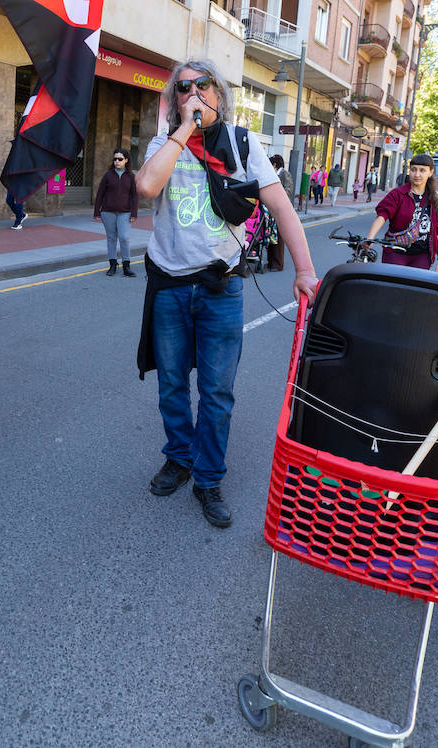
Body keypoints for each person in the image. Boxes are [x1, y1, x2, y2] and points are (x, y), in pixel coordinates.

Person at [134, 60, 317, 528]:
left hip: (221, 288)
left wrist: (305, 270)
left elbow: (281, 206)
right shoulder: (164, 144)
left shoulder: (242, 144)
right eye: (183, 88)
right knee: (172, 384)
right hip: (171, 286)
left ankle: (209, 478)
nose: (193, 93)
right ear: (173, 100)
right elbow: (146, 186)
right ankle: (179, 457)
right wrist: (182, 131)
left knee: (216, 392)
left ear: (220, 93)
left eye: (203, 85)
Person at [362, 153, 438, 271]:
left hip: (421, 256)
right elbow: (382, 216)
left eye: (422, 170)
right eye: (413, 170)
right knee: (393, 287)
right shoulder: (397, 194)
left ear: (430, 173)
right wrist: (369, 238)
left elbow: (437, 231)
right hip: (395, 252)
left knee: (414, 288)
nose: (417, 174)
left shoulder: (434, 201)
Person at [93, 147, 139, 276]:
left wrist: (134, 213)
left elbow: (134, 196)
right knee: (111, 238)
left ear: (126, 160)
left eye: (120, 159)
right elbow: (100, 194)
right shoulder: (108, 175)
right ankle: (113, 265)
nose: (117, 161)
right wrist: (97, 212)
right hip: (108, 212)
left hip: (125, 212)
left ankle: (126, 266)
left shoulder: (131, 176)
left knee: (124, 237)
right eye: (115, 159)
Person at [266, 154, 291, 272]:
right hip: (272, 209)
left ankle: (278, 263)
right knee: (271, 234)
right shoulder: (274, 174)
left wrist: (278, 198)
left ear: (275, 164)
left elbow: (288, 190)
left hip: (281, 210)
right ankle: (271, 261)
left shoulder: (284, 174)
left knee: (279, 238)